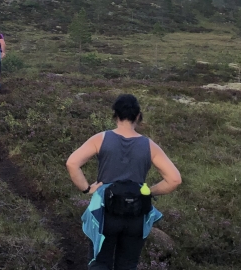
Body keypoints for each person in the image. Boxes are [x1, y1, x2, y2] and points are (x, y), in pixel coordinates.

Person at [65, 94, 181, 270]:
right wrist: (149, 192)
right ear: (138, 116)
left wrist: (87, 188)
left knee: (100, 263)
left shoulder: (101, 139)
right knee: (127, 265)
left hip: (105, 213)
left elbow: (72, 163)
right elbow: (174, 179)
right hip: (136, 215)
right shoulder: (149, 145)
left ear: (116, 115)